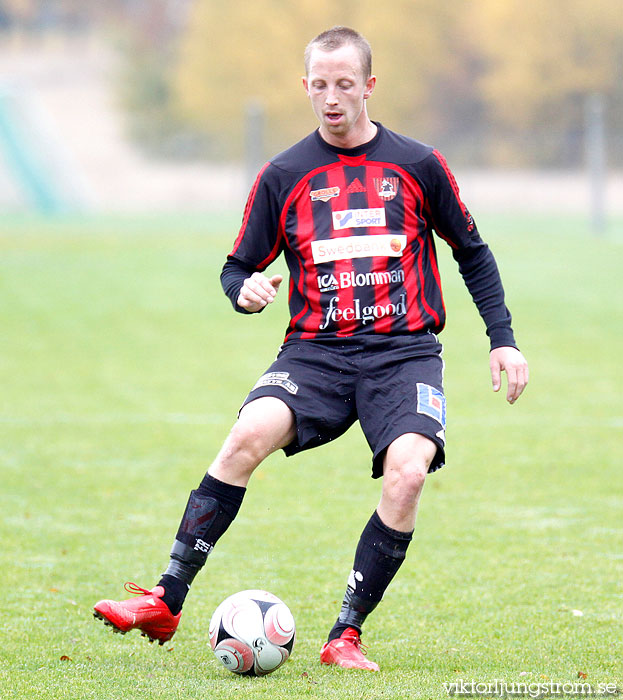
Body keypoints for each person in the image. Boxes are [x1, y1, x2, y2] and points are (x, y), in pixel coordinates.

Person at [93, 26, 529, 672]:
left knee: (408, 472)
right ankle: (166, 596)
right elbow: (235, 265)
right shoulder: (285, 174)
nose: (330, 98)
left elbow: (472, 252)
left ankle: (344, 635)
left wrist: (502, 341)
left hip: (403, 354)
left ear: (368, 87)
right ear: (305, 87)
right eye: (319, 85)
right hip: (315, 353)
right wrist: (243, 290)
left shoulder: (417, 165)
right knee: (245, 437)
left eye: (344, 85)